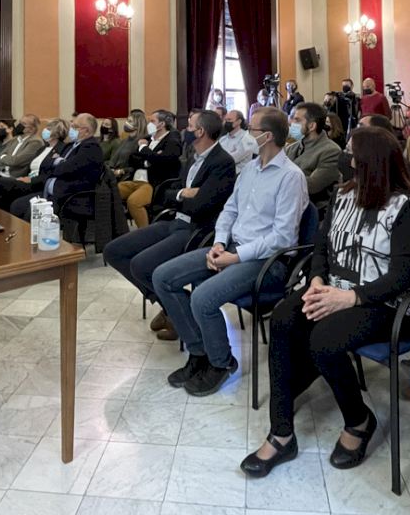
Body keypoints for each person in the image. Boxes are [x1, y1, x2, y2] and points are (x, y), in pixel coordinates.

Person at [241, 126, 410, 477]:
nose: (346, 157)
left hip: (382, 302)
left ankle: (359, 420)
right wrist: (315, 281)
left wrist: (350, 297)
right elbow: (321, 247)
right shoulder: (343, 195)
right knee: (283, 317)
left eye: (352, 152)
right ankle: (281, 433)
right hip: (334, 287)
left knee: (324, 339)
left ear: (369, 160)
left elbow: (404, 273)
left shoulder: (405, 206)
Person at [152, 107, 309, 397]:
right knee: (163, 276)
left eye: (252, 128)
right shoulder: (250, 169)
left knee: (202, 297)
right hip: (232, 248)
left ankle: (221, 363)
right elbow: (230, 210)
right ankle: (200, 352)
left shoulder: (291, 177)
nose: (247, 132)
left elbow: (283, 237)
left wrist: (236, 257)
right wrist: (220, 243)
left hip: (267, 261)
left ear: (267, 136)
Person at [104, 110, 236, 341]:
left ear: (201, 131)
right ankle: (172, 307)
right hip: (175, 220)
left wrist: (181, 196)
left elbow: (201, 206)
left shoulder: (222, 162)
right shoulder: (194, 156)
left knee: (141, 265)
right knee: (114, 251)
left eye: (190, 126)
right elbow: (165, 193)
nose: (185, 130)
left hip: (197, 230)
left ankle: (177, 312)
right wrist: (183, 193)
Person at [9, 114, 104, 221]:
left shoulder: (91, 147)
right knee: (17, 206)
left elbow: (67, 168)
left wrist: (57, 163)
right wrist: (58, 162)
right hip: (50, 191)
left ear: (86, 131)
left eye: (75, 126)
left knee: (32, 213)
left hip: (69, 195)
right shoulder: (71, 146)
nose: (71, 129)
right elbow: (47, 164)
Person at [0, 118, 69, 211]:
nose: (44, 130)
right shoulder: (43, 148)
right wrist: (26, 177)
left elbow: (50, 173)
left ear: (56, 133)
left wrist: (30, 179)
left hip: (37, 184)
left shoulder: (61, 149)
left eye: (48, 129)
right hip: (28, 178)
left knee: (2, 182)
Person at [118, 110, 183, 227]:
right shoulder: (148, 138)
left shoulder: (172, 140)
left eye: (152, 121)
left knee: (134, 201)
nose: (149, 124)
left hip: (153, 183)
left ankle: (144, 232)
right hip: (136, 179)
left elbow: (164, 161)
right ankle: (118, 229)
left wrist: (144, 148)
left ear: (161, 124)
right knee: (112, 191)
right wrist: (149, 160)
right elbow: (132, 158)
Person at [286, 102, 343, 208]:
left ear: (312, 126)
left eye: (297, 120)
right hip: (288, 202)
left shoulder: (331, 151)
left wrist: (281, 176)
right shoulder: (292, 147)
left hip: (313, 208)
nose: (291, 123)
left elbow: (312, 185)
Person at [219, 109, 259, 173]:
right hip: (221, 171)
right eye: (225, 120)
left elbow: (231, 159)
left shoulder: (247, 138)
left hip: (237, 174)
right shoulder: (223, 139)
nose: (226, 122)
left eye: (229, 120)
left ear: (239, 121)